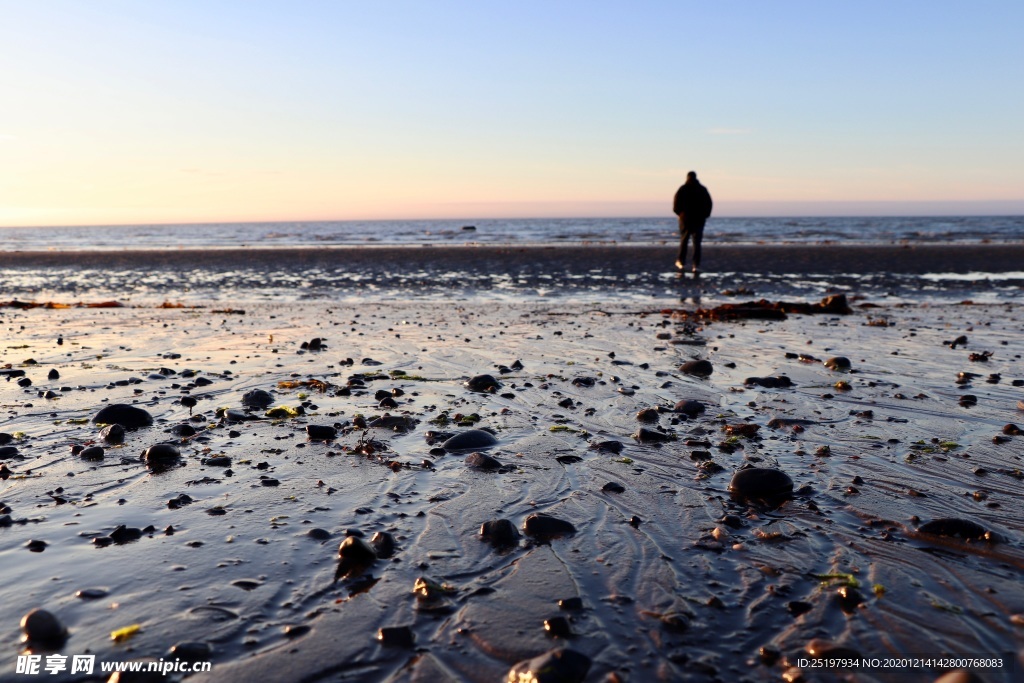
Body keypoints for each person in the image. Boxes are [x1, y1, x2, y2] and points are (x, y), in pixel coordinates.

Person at [672, 171, 713, 275]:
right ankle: (696, 265)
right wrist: (705, 215)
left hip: (685, 218)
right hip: (699, 218)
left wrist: (680, 214)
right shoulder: (702, 189)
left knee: (684, 240)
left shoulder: (683, 189)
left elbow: (676, 205)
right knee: (697, 242)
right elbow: (709, 203)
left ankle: (681, 262)